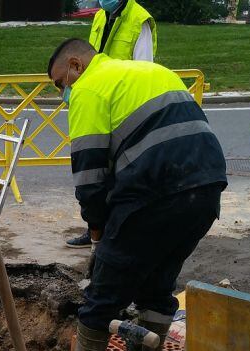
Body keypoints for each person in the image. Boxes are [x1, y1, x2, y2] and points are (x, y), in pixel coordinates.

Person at [44, 38, 227, 351]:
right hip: (206, 189)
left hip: (154, 193)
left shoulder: (90, 89)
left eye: (61, 84)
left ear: (76, 65)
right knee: (158, 288)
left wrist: (98, 236)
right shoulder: (149, 71)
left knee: (102, 296)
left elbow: (90, 177)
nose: (63, 93)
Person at [67, 0, 156, 249]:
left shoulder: (139, 20)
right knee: (97, 171)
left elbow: (144, 70)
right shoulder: (100, 16)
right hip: (99, 103)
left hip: (123, 107)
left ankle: (118, 234)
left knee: (121, 175)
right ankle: (95, 229)